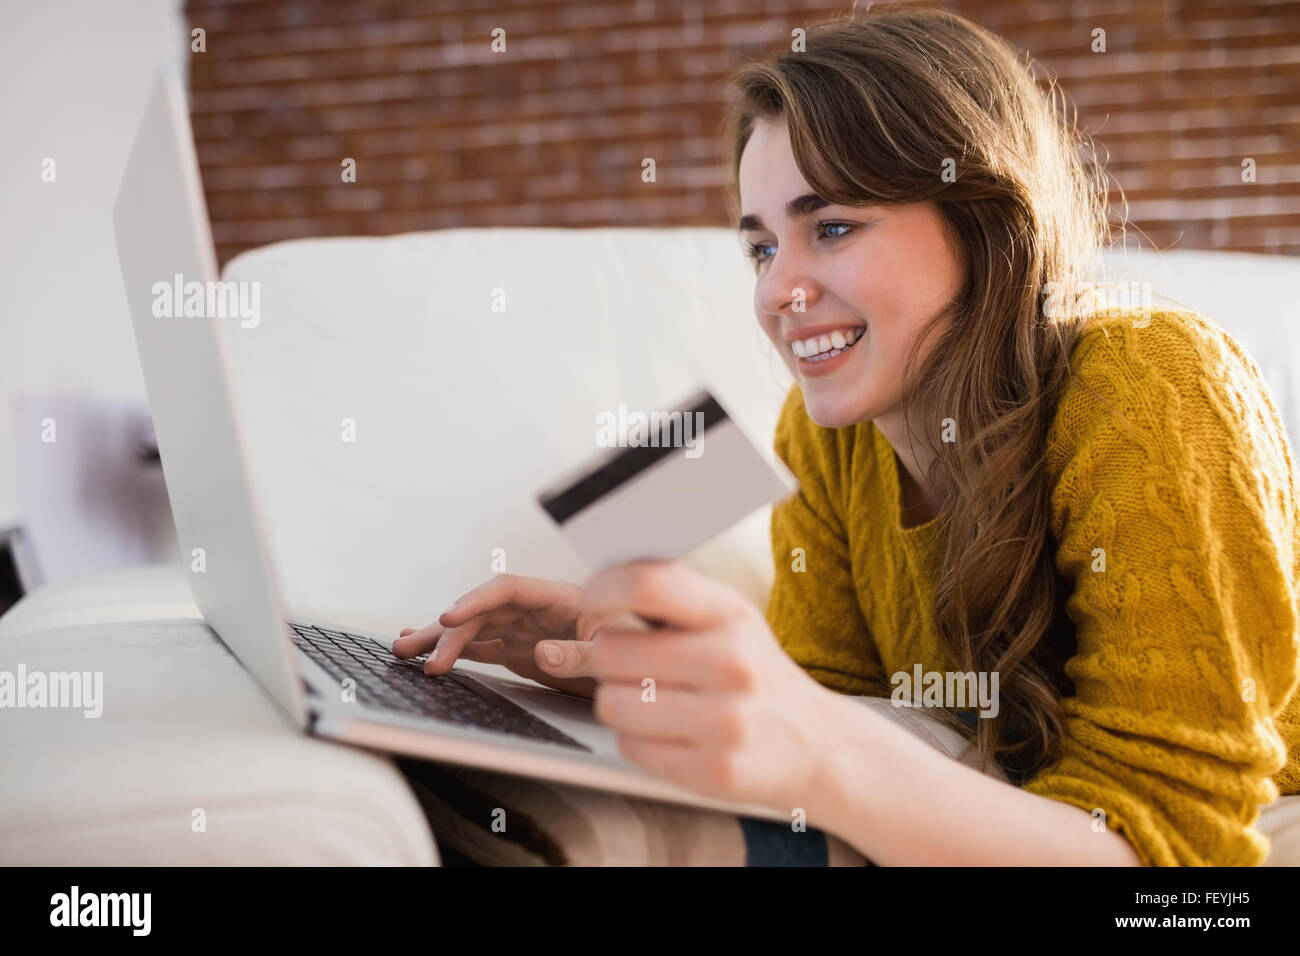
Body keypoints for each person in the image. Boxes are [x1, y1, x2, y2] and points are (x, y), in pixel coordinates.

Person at [393, 8, 1299, 866]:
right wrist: (635, 671)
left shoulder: (1152, 381)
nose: (774, 293)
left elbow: (1178, 858)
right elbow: (845, 706)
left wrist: (819, 749)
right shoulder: (828, 433)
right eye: (760, 248)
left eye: (830, 227)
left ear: (986, 225)